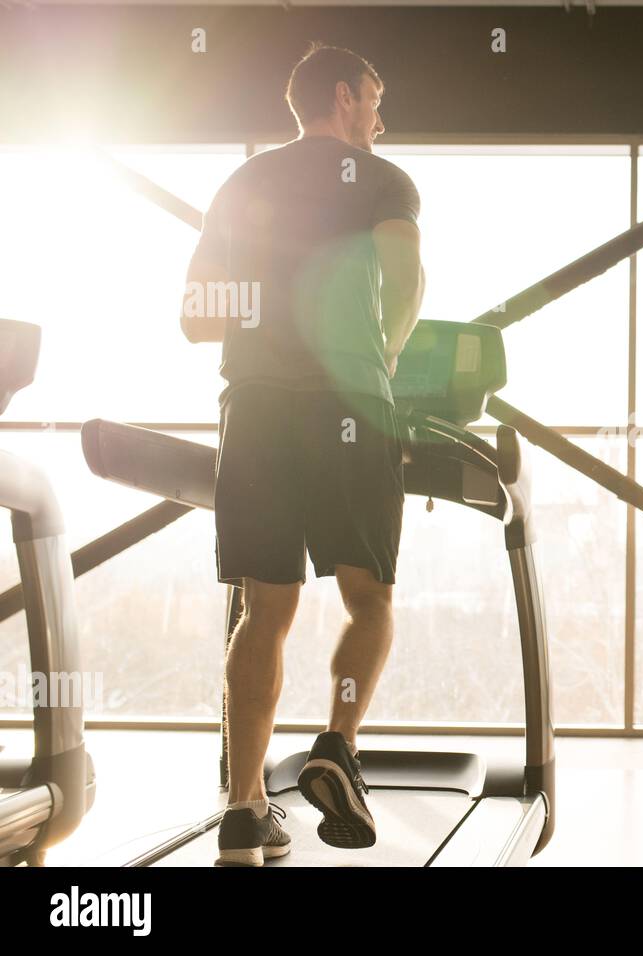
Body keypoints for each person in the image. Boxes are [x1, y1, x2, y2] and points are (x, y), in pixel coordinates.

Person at [181, 43, 425, 866]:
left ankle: (245, 814)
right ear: (346, 97)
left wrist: (266, 296)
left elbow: (195, 316)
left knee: (264, 612)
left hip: (253, 411)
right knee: (369, 602)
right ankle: (336, 745)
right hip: (347, 407)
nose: (380, 119)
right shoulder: (381, 178)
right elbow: (407, 282)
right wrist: (380, 359)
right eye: (376, 100)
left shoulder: (242, 184)